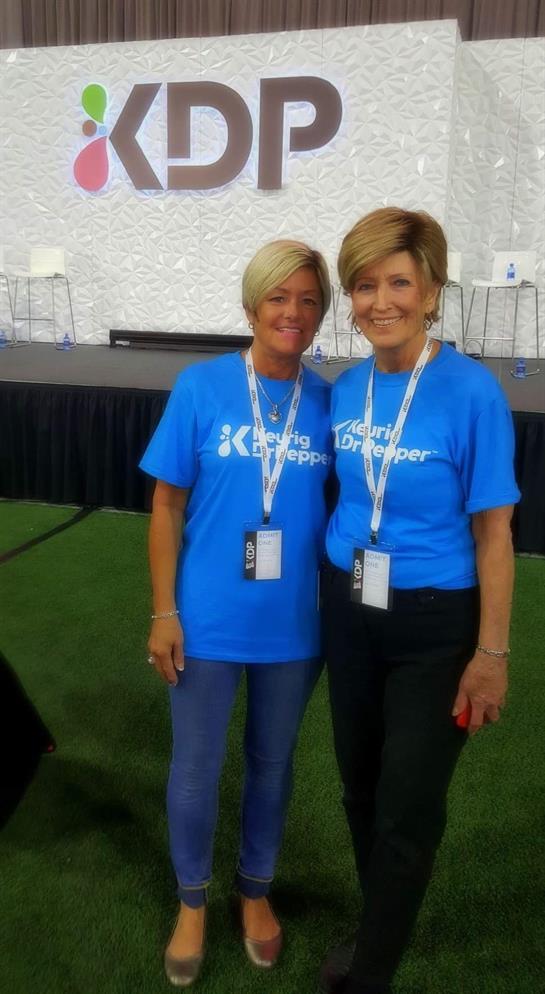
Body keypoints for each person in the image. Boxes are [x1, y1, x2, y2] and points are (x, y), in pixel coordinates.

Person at [318, 207, 520, 994]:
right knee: (357, 785)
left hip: (436, 623)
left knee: (406, 801)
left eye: (397, 282)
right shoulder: (346, 388)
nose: (379, 301)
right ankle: (381, 923)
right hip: (348, 608)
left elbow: (494, 536)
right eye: (363, 285)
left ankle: (369, 973)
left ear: (431, 290)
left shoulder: (471, 393)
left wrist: (491, 655)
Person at [139, 239, 332, 988]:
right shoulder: (201, 387)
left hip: (293, 626)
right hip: (206, 619)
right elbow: (165, 504)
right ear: (251, 304)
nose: (294, 313)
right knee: (195, 768)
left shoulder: (330, 401)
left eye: (309, 300)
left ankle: (254, 892)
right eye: (279, 298)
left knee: (272, 766)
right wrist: (163, 610)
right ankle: (192, 903)